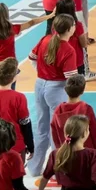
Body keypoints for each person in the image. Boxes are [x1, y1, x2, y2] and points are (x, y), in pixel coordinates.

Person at [27, 14, 81, 176]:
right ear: (68, 29)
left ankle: (34, 168)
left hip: (40, 85)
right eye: (73, 25)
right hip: (57, 89)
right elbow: (71, 79)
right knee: (57, 131)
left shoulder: (45, 40)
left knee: (42, 128)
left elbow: (32, 57)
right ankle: (60, 169)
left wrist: (43, 73)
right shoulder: (68, 49)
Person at [35, 114, 96, 190]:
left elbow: (45, 177)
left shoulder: (56, 154)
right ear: (85, 134)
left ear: (66, 133)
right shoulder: (92, 155)